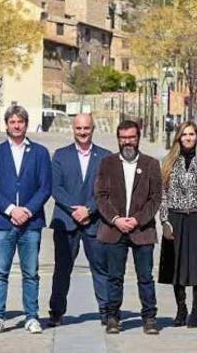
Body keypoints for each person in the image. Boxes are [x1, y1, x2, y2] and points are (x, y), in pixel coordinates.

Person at [0, 105, 52, 334]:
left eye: (20, 122)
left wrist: (28, 211)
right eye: (12, 122)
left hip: (31, 223)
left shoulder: (40, 153)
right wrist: (11, 210)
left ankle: (32, 316)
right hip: (2, 222)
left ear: (26, 124)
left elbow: (45, 187)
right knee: (0, 272)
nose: (16, 126)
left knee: (30, 273)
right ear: (6, 125)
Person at [95, 120, 162, 335]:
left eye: (131, 137)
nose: (127, 142)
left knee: (145, 278)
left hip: (142, 230)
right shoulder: (107, 163)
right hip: (115, 230)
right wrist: (116, 219)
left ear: (138, 138)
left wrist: (137, 219)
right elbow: (100, 196)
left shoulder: (151, 164)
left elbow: (155, 198)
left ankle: (149, 318)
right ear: (118, 139)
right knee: (114, 277)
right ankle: (113, 317)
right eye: (123, 138)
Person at [48, 113, 111, 327]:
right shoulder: (60, 155)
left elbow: (106, 189)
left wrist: (89, 209)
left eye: (86, 128)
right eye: (79, 128)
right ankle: (56, 312)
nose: (82, 132)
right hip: (66, 220)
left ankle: (107, 311)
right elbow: (55, 187)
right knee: (62, 269)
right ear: (73, 129)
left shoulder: (105, 157)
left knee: (101, 268)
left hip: (95, 222)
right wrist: (75, 210)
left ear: (93, 129)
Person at [157, 121, 197, 329]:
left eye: (191, 134)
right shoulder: (168, 162)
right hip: (176, 217)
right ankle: (181, 308)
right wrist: (164, 220)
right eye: (184, 134)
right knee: (176, 266)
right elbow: (162, 194)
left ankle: (196, 310)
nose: (188, 138)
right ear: (178, 138)